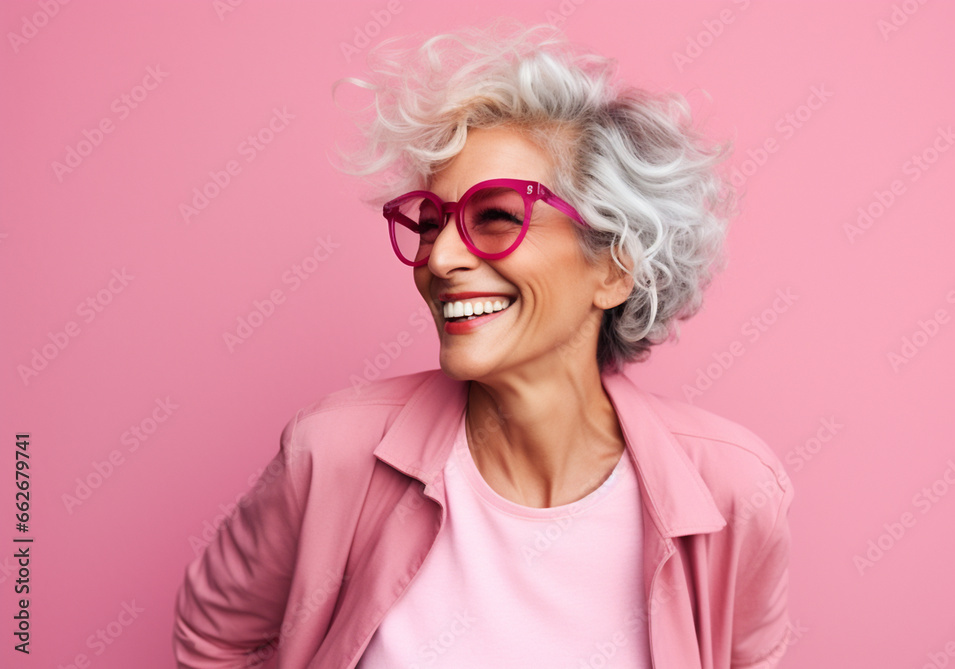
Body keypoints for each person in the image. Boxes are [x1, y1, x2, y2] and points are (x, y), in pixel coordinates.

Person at [174, 23, 793, 669]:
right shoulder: (330, 453)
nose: (438, 258)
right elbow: (211, 641)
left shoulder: (732, 490)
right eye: (432, 223)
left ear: (614, 268)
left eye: (496, 216)